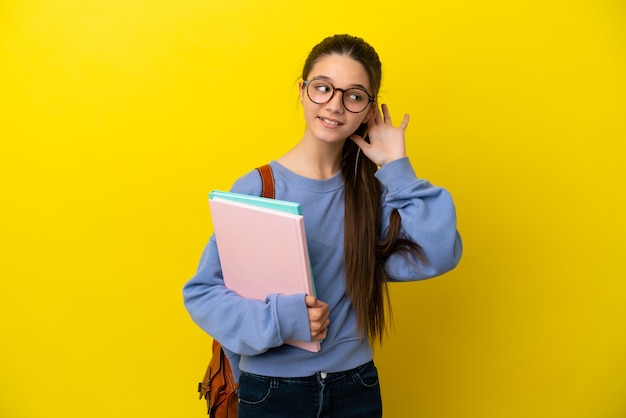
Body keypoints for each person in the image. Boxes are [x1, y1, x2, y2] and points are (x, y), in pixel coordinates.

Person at [183, 34, 462, 417]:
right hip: (271, 392)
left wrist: (397, 167)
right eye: (323, 88)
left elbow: (439, 253)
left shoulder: (373, 192)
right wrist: (285, 320)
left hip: (355, 386)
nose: (334, 105)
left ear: (368, 109)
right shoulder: (261, 188)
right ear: (301, 91)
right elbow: (203, 293)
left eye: (353, 95)